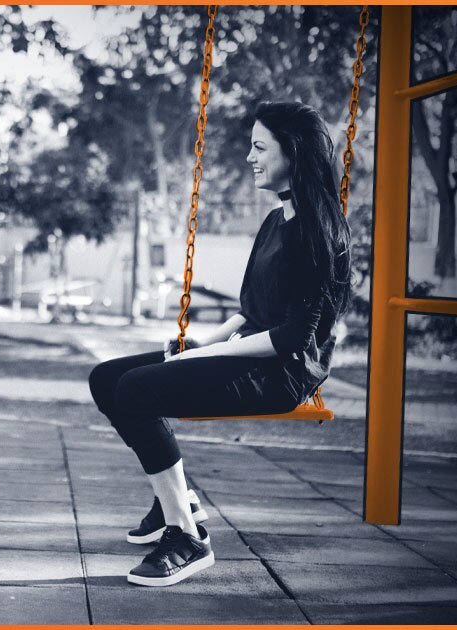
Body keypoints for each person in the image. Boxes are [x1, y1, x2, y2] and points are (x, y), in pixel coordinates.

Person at [88, 101, 351, 586]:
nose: (250, 157)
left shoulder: (320, 230)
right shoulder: (276, 220)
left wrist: (211, 353)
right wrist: (201, 341)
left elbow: (293, 336)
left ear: (293, 152)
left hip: (283, 372)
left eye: (259, 146)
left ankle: (186, 536)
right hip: (248, 351)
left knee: (137, 391)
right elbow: (251, 309)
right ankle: (178, 498)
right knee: (106, 378)